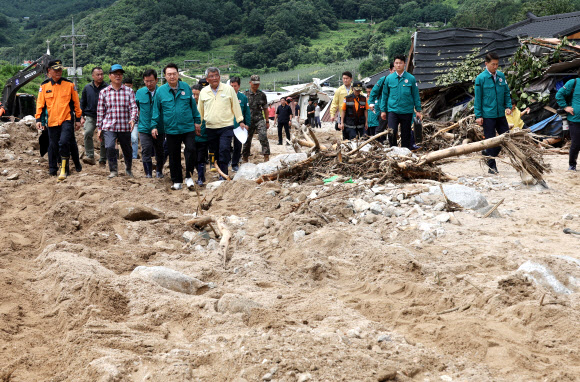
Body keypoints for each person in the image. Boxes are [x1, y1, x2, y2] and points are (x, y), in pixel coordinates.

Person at [151, 63, 201, 190]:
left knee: (191, 150)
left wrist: (197, 121)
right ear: (165, 76)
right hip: (171, 128)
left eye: (174, 74)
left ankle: (189, 177)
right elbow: (156, 110)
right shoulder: (160, 91)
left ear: (178, 74)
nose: (172, 76)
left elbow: (193, 106)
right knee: (174, 155)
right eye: (169, 74)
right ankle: (177, 180)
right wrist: (154, 125)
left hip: (188, 127)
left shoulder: (185, 87)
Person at [35, 59, 82, 181]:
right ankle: (57, 167)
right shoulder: (44, 86)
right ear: (49, 71)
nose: (58, 72)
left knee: (64, 142)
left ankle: (64, 169)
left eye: (60, 70)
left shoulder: (69, 84)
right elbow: (40, 104)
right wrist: (38, 119)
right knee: (54, 145)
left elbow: (76, 103)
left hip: (66, 119)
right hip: (52, 121)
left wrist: (78, 119)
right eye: (56, 70)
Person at [198, 67, 245, 178]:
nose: (214, 78)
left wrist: (240, 120)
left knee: (224, 149)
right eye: (211, 76)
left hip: (226, 126)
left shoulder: (228, 89)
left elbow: (236, 106)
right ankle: (219, 171)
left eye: (216, 75)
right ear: (207, 79)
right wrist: (198, 124)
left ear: (219, 77)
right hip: (210, 127)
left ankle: (223, 175)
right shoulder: (204, 92)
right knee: (215, 151)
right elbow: (200, 111)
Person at [97, 64, 138, 179]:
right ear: (110, 76)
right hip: (109, 126)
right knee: (109, 147)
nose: (118, 76)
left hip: (125, 125)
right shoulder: (104, 92)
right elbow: (100, 111)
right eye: (115, 74)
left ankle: (128, 169)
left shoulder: (129, 91)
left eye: (120, 74)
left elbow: (133, 107)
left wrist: (132, 119)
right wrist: (99, 128)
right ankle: (113, 170)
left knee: (127, 149)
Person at [474, 52, 512, 174]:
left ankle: (488, 155)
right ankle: (492, 167)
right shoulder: (481, 78)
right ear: (486, 64)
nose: (495, 67)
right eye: (493, 64)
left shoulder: (501, 76)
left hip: (500, 114)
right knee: (490, 140)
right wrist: (478, 115)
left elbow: (506, 92)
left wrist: (508, 106)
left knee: (506, 138)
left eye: (497, 64)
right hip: (488, 115)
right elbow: (478, 98)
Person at [379, 55, 422, 150]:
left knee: (406, 133)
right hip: (393, 110)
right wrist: (383, 110)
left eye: (400, 63)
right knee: (391, 131)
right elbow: (385, 95)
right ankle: (393, 150)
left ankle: (405, 152)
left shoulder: (411, 78)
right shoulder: (389, 79)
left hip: (406, 111)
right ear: (394, 64)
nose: (398, 65)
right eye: (396, 63)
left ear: (404, 64)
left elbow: (415, 95)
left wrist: (418, 110)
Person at [135, 69, 164, 178]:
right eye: (146, 81)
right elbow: (136, 107)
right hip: (144, 127)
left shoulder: (162, 92)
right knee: (146, 150)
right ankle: (148, 174)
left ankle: (159, 171)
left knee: (159, 151)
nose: (149, 84)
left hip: (160, 127)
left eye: (151, 81)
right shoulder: (140, 92)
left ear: (156, 80)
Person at [80, 67, 108, 166]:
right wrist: (81, 116)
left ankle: (103, 159)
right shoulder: (87, 88)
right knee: (87, 133)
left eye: (102, 74)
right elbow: (82, 102)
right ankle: (90, 156)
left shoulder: (107, 88)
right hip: (90, 115)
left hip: (104, 116)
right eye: (98, 74)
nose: (100, 76)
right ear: (93, 76)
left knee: (104, 137)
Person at [242, 75, 270, 163]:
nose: (256, 85)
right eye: (254, 84)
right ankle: (245, 157)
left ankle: (266, 156)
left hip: (259, 119)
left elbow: (265, 108)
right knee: (247, 140)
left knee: (263, 136)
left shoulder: (262, 95)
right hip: (248, 120)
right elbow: (241, 108)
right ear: (250, 83)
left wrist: (267, 121)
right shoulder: (244, 94)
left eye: (257, 84)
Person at [556, 75, 580, 170]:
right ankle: (572, 165)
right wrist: (565, 107)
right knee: (576, 143)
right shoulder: (573, 82)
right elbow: (559, 95)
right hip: (575, 119)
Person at [230, 76, 251, 172]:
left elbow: (246, 112)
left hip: (239, 126)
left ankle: (235, 163)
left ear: (239, 86)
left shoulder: (243, 98)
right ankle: (226, 161)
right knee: (225, 145)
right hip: (227, 125)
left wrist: (248, 124)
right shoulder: (226, 97)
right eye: (231, 86)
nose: (233, 88)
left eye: (235, 86)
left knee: (238, 146)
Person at [191, 83, 208, 185]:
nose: (196, 97)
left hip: (203, 135)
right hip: (191, 136)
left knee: (201, 157)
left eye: (198, 94)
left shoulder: (206, 105)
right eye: (194, 94)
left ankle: (201, 177)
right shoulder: (189, 105)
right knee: (193, 157)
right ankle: (200, 175)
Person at [330, 71, 354, 138]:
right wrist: (332, 114)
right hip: (343, 114)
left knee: (353, 133)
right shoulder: (339, 90)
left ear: (351, 79)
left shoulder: (355, 89)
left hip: (354, 115)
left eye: (347, 78)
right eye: (344, 78)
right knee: (345, 132)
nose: (345, 80)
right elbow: (334, 103)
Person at [123, 76, 139, 160]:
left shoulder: (135, 95)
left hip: (134, 121)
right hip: (123, 121)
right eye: (126, 86)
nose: (128, 88)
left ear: (132, 85)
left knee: (134, 138)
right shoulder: (120, 95)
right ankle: (126, 155)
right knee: (125, 140)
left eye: (129, 86)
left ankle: (134, 156)